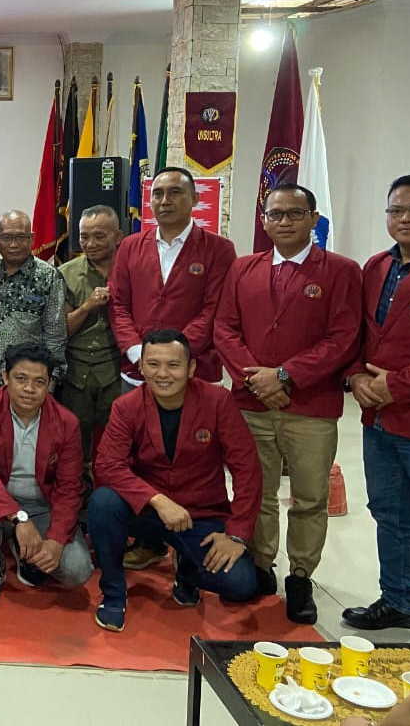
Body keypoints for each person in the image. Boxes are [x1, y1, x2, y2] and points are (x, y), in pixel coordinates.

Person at [214, 182, 362, 623]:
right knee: (254, 490)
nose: (283, 221)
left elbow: (344, 337)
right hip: (250, 403)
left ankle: (300, 576)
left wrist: (285, 376)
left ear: (313, 220)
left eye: (294, 214)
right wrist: (258, 379)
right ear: (263, 221)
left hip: (310, 406)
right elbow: (224, 329)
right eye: (275, 214)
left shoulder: (341, 270)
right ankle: (262, 565)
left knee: (310, 497)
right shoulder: (243, 268)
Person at [342, 173, 410, 640]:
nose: (405, 218)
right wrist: (355, 376)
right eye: (395, 210)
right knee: (389, 512)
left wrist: (397, 386)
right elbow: (355, 333)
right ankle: (400, 601)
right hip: (377, 419)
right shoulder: (375, 267)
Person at [89, 329, 261, 632]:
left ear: (191, 368)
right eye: (153, 364)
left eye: (174, 365)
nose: (163, 374)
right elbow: (107, 465)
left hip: (201, 514)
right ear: (140, 367)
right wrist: (157, 500)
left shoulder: (218, 401)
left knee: (242, 584)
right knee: (102, 502)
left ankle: (189, 571)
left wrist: (236, 535)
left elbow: (247, 469)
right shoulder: (126, 406)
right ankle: (114, 594)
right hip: (146, 510)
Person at [107, 166, 236, 571]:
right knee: (144, 458)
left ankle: (191, 542)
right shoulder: (131, 246)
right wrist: (136, 354)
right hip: (136, 371)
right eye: (158, 193)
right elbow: (119, 304)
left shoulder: (218, 249)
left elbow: (215, 310)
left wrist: (173, 358)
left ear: (195, 199)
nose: (165, 201)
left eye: (175, 192)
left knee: (192, 458)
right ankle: (149, 541)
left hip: (194, 373)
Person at [0, 344, 92, 602]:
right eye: (21, 379)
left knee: (77, 571)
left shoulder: (67, 423)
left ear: (49, 385)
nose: (29, 389)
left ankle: (27, 554)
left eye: (39, 382)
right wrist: (19, 518)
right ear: (5, 377)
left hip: (41, 504)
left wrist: (55, 540)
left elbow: (69, 488)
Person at [58, 204, 124, 468]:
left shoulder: (131, 269)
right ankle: (79, 504)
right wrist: (87, 306)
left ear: (117, 237)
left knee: (121, 447)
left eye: (99, 236)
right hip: (76, 374)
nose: (90, 243)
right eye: (84, 236)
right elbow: (60, 330)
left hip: (118, 372)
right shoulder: (65, 273)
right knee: (74, 451)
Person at [0, 208, 67, 391]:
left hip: (29, 384)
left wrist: (48, 385)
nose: (14, 244)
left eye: (21, 237)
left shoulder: (49, 276)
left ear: (32, 239)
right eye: (7, 238)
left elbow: (55, 335)